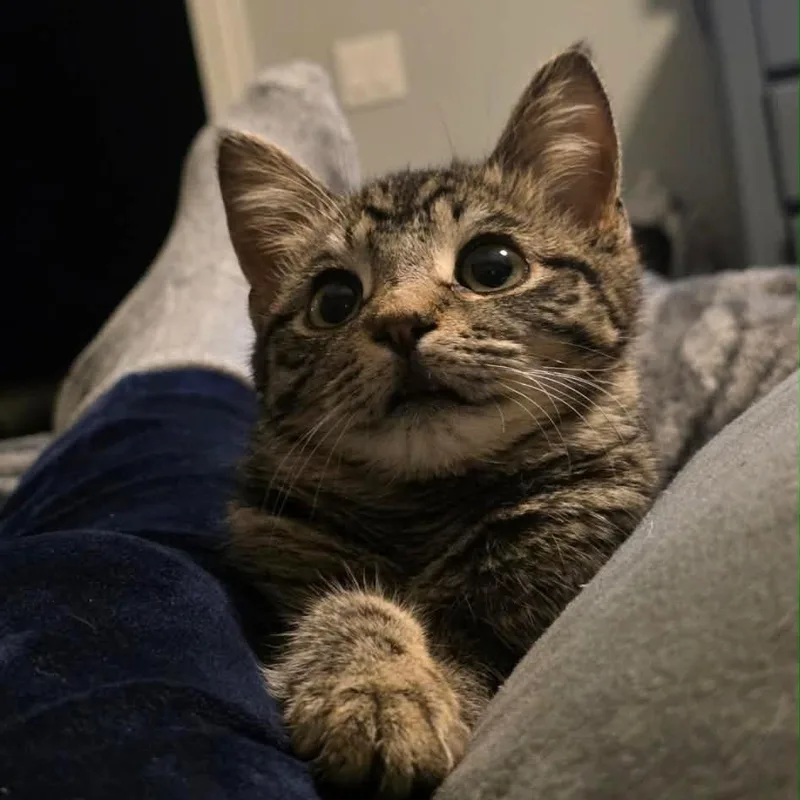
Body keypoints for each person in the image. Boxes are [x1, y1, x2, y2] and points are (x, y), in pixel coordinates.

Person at [0, 64, 795, 800]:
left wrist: (360, 634)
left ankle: (164, 360)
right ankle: (175, 359)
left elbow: (487, 655)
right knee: (169, 468)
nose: (402, 314)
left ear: (596, 228)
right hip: (312, 473)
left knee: (120, 519)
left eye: (490, 266)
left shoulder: (585, 493)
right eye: (336, 300)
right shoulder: (294, 506)